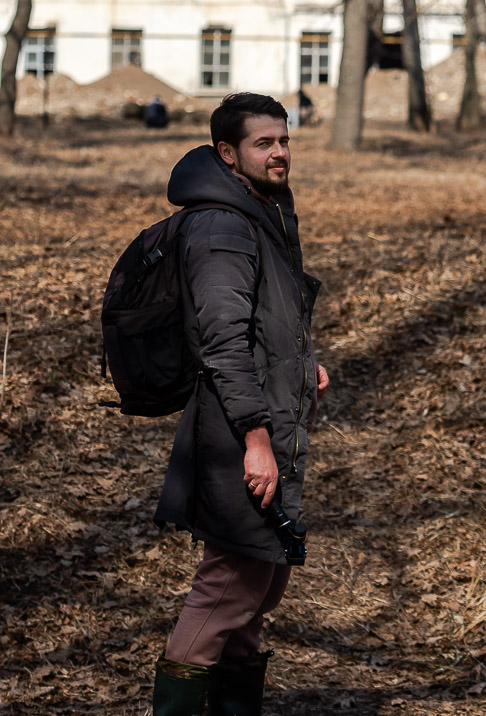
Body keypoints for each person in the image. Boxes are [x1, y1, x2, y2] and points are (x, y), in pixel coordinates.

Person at [151, 92, 328, 716]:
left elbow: (266, 319)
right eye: (264, 143)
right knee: (229, 583)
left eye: (284, 140)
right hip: (238, 432)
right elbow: (223, 341)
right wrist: (256, 442)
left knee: (259, 585)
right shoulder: (222, 226)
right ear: (228, 153)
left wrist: (305, 366)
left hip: (268, 414)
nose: (279, 152)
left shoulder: (259, 210)